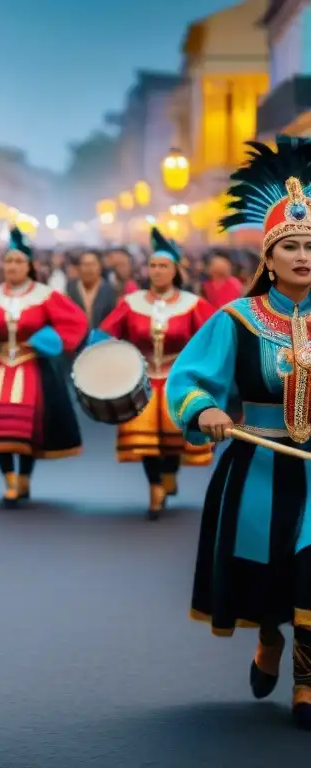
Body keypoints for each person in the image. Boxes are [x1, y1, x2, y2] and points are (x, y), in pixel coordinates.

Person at [166, 137, 311, 730]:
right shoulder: (238, 320)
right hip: (259, 463)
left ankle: (306, 684)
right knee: (269, 574)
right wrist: (203, 410)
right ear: (269, 260)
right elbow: (190, 376)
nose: (305, 256)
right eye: (293, 247)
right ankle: (270, 640)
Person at [0, 227, 88, 506]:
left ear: (30, 266)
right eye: (8, 261)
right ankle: (8, 478)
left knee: (28, 425)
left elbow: (75, 322)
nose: (12, 267)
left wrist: (50, 339)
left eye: (18, 262)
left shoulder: (45, 295)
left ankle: (24, 477)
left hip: (31, 366)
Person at [89, 228, 216, 518]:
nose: (157, 271)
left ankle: (170, 472)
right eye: (153, 266)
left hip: (178, 379)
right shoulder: (131, 303)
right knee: (145, 438)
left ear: (175, 271)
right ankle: (155, 486)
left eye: (163, 266)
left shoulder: (193, 304)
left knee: (173, 436)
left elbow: (213, 337)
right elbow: (105, 333)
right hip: (142, 379)